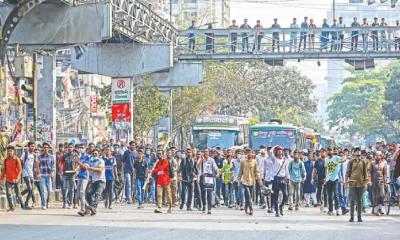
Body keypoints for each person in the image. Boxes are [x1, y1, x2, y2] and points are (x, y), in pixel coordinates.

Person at [345, 147, 368, 222]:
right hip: (352, 183)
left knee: (359, 201)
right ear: (354, 153)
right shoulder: (351, 162)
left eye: (359, 151)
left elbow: (365, 173)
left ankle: (359, 217)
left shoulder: (363, 162)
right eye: (356, 151)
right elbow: (347, 173)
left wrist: (365, 183)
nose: (358, 153)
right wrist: (345, 183)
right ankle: (351, 217)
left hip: (361, 184)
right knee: (352, 200)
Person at [0, 146, 25, 211]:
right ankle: (11, 207)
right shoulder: (5, 160)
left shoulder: (17, 159)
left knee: (18, 193)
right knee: (8, 193)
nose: (9, 152)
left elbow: (20, 170)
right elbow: (4, 171)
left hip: (15, 179)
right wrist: (1, 179)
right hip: (8, 179)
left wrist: (17, 178)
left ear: (14, 152)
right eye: (8, 151)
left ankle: (22, 204)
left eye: (10, 151)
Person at [238, 149, 262, 215]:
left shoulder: (254, 162)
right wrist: (239, 180)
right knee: (248, 195)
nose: (249, 154)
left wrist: (259, 180)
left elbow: (257, 172)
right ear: (246, 154)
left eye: (250, 153)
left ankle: (246, 206)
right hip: (245, 181)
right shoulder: (243, 162)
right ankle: (251, 209)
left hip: (252, 181)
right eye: (247, 153)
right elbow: (240, 172)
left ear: (252, 154)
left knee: (249, 196)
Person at [197, 148, 219, 214]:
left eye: (207, 152)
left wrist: (217, 173)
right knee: (203, 193)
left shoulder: (211, 160)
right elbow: (197, 167)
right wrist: (201, 159)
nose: (205, 153)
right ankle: (204, 205)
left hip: (209, 178)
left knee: (209, 193)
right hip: (202, 177)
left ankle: (209, 208)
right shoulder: (201, 160)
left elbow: (216, 168)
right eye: (204, 152)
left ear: (208, 153)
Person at [270, 146, 290, 217]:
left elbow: (286, 170)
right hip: (276, 179)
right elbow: (270, 152)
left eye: (281, 150)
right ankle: (277, 211)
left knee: (286, 195)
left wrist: (288, 180)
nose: (280, 152)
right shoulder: (274, 159)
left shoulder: (285, 160)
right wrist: (275, 146)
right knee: (275, 196)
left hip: (283, 179)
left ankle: (281, 206)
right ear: (276, 152)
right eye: (278, 150)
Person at [85, 149, 106, 216]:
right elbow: (89, 171)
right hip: (94, 181)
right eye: (93, 154)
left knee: (97, 194)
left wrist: (90, 168)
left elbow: (100, 170)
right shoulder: (91, 162)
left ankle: (93, 207)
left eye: (96, 153)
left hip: (101, 181)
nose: (94, 155)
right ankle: (92, 207)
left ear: (99, 154)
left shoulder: (101, 161)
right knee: (88, 193)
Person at [324, 148, 344, 216]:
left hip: (335, 179)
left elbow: (343, 159)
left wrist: (339, 162)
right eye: (328, 150)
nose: (329, 151)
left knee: (336, 194)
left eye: (330, 150)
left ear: (332, 151)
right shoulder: (326, 160)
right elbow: (326, 169)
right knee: (329, 195)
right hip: (328, 179)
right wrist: (325, 178)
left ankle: (338, 209)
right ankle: (330, 210)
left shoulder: (336, 158)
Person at [152, 149, 172, 213]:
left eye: (160, 154)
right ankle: (159, 207)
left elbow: (161, 168)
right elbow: (155, 169)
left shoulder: (166, 161)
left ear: (163, 154)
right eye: (158, 154)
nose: (159, 155)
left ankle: (170, 207)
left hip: (166, 180)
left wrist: (153, 171)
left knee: (168, 195)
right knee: (159, 194)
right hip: (159, 180)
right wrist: (152, 173)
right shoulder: (157, 162)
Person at [36, 142, 55, 210]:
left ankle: (47, 202)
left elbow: (53, 166)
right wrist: (38, 173)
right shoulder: (39, 157)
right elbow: (37, 165)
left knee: (49, 191)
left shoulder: (51, 156)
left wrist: (52, 172)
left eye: (46, 147)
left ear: (48, 148)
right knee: (43, 190)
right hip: (42, 175)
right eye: (44, 147)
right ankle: (43, 204)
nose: (45, 148)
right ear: (42, 148)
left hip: (49, 175)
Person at [60, 143, 78, 209]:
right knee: (65, 189)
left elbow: (78, 164)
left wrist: (76, 169)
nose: (70, 148)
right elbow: (60, 163)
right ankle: (65, 202)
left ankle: (71, 203)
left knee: (71, 190)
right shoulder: (64, 156)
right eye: (69, 147)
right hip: (65, 174)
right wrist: (61, 171)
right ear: (67, 148)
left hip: (72, 175)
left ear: (73, 148)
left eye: (71, 147)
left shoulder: (75, 155)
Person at [369, 151, 387, 216]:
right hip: (374, 182)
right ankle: (376, 209)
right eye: (376, 155)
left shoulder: (384, 163)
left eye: (379, 155)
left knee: (382, 195)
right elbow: (369, 173)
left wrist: (385, 182)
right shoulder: (372, 163)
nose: (377, 156)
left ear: (381, 156)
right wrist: (369, 181)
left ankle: (380, 208)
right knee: (375, 196)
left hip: (381, 181)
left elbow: (385, 174)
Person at [20, 142, 37, 209]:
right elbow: (20, 161)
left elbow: (34, 165)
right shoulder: (25, 153)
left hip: (31, 174)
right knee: (30, 188)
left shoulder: (34, 155)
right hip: (25, 173)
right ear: (28, 147)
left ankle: (20, 195)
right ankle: (26, 204)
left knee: (31, 189)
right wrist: (22, 171)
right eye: (32, 146)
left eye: (34, 146)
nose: (33, 147)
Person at [75, 144, 90, 215]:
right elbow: (79, 166)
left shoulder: (88, 157)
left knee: (82, 192)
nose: (81, 149)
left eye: (82, 147)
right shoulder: (80, 157)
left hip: (85, 177)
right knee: (78, 194)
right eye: (80, 148)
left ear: (85, 149)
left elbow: (86, 167)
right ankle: (88, 207)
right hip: (79, 176)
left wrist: (78, 163)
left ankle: (83, 209)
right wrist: (75, 170)